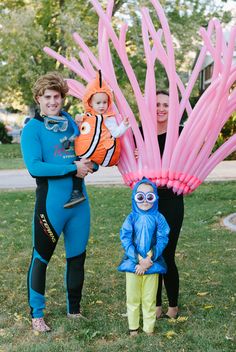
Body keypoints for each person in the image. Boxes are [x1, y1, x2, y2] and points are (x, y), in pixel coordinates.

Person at [21, 72, 95, 332]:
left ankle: (74, 310)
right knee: (41, 258)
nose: (53, 101)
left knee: (77, 258)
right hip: (51, 206)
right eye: (47, 97)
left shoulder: (73, 124)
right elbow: (35, 167)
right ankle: (37, 314)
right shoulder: (32, 129)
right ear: (38, 99)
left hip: (79, 205)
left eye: (57, 97)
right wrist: (71, 168)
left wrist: (92, 163)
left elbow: (89, 152)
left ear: (63, 98)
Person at [135, 91, 184, 319]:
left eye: (166, 104)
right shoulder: (141, 134)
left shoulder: (180, 134)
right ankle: (155, 305)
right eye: (157, 104)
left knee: (167, 253)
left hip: (172, 200)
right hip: (147, 202)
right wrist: (136, 156)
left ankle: (172, 305)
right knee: (149, 252)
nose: (161, 109)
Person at [64, 70, 130, 208]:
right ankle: (74, 191)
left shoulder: (109, 119)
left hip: (97, 153)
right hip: (85, 151)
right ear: (91, 103)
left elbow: (116, 133)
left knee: (78, 166)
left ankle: (77, 192)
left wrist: (123, 125)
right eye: (98, 102)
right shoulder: (88, 116)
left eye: (105, 102)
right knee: (75, 165)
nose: (102, 106)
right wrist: (78, 120)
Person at [118, 178, 169, 335]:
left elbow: (162, 238)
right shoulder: (131, 218)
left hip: (151, 264)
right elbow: (125, 238)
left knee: (149, 298)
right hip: (133, 264)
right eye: (141, 197)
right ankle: (133, 327)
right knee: (132, 297)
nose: (145, 201)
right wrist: (138, 259)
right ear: (134, 198)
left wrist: (149, 259)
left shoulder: (159, 218)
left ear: (155, 198)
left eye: (150, 197)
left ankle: (149, 328)